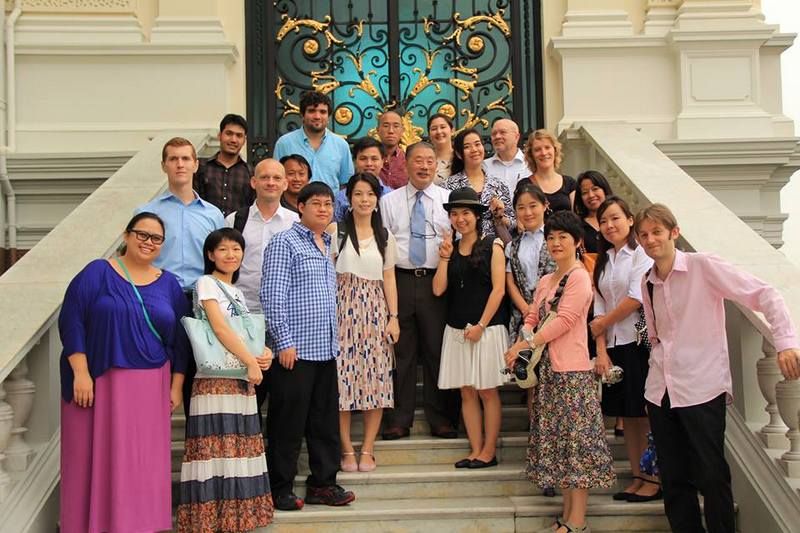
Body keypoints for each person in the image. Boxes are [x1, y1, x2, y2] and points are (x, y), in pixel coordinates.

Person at [635, 203, 800, 533]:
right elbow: (656, 337)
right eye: (643, 235)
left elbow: (763, 293)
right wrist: (652, 389)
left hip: (702, 387)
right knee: (674, 479)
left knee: (712, 475)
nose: (650, 239)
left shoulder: (703, 266)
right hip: (660, 392)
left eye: (656, 232)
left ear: (674, 232)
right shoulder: (647, 282)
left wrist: (785, 340)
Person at [59, 212, 190, 533]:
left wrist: (176, 386)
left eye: (155, 238)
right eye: (142, 234)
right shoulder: (98, 272)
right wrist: (80, 372)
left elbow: (182, 340)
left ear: (162, 245)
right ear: (127, 235)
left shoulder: (169, 284)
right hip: (98, 381)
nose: (148, 242)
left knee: (141, 462)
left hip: (151, 385)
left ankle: (139, 525)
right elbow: (71, 318)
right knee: (93, 458)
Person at [505, 211, 616, 533]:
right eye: (551, 237)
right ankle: (566, 516)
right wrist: (521, 341)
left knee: (576, 446)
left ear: (577, 241)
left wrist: (526, 346)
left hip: (572, 372)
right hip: (549, 372)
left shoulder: (580, 277)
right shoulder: (545, 280)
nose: (555, 243)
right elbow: (531, 315)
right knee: (561, 446)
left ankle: (577, 522)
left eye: (562, 237)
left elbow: (565, 320)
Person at [261, 182, 356, 510]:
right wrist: (283, 341)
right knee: (286, 424)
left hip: (326, 351)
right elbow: (272, 295)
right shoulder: (283, 242)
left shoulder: (327, 242)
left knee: (324, 423)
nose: (323, 209)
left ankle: (323, 484)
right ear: (300, 206)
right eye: (315, 203)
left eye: (328, 204)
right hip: (294, 352)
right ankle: (280, 489)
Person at [176, 228, 274, 532]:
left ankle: (236, 516)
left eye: (236, 249)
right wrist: (249, 360)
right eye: (223, 249)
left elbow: (243, 333)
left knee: (236, 448)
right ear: (210, 255)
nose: (230, 255)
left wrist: (263, 353)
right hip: (216, 379)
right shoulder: (206, 283)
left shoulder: (238, 291)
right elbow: (219, 328)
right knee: (216, 448)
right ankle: (212, 518)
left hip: (239, 378)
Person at [135, 137, 225, 417]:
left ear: (196, 165)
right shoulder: (148, 213)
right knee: (157, 368)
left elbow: (219, 260)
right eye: (173, 159)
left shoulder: (213, 215)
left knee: (198, 376)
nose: (180, 164)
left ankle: (196, 450)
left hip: (201, 300)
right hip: (159, 298)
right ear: (164, 165)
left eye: (186, 158)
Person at [380, 141, 461, 440]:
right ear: (406, 164)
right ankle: (399, 420)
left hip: (436, 281)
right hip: (399, 280)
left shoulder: (447, 199)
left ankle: (441, 418)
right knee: (401, 352)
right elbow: (384, 246)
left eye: (430, 160)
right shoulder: (388, 202)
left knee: (436, 350)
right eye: (418, 160)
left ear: (436, 165)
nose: (425, 166)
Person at [588, 197, 658, 503]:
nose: (609, 225)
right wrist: (601, 350)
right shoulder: (604, 260)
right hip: (614, 346)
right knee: (627, 417)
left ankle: (655, 478)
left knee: (645, 414)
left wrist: (602, 325)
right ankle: (637, 476)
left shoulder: (640, 254)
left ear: (630, 220)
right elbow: (598, 305)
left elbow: (635, 298)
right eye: (603, 221)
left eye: (615, 218)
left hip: (638, 344)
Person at [433, 187, 508, 469]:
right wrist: (443, 257)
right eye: (454, 213)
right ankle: (475, 449)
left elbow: (499, 290)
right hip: (456, 328)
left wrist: (481, 325)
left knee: (487, 391)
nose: (460, 218)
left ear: (477, 216)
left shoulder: (493, 245)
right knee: (466, 391)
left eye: (466, 212)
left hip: (486, 329)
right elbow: (439, 289)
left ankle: (489, 450)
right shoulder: (450, 249)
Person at [334, 173, 400, 473]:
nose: (364, 199)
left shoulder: (385, 236)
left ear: (377, 198)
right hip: (341, 312)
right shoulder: (335, 232)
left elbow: (389, 278)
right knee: (340, 383)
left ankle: (368, 448)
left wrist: (393, 318)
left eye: (370, 194)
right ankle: (346, 448)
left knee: (376, 381)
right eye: (358, 193)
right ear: (349, 198)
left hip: (375, 313)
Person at [226, 159, 299, 313]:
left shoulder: (296, 222)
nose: (271, 183)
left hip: (284, 311)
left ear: (285, 184)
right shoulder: (234, 220)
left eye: (277, 178)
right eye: (265, 177)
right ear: (253, 182)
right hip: (241, 309)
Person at [272, 91, 354, 191]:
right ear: (302, 115)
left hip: (330, 206)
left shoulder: (341, 145)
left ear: (328, 116)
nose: (317, 116)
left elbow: (345, 184)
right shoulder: (284, 143)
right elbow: (276, 179)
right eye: (311, 111)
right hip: (292, 206)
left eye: (322, 112)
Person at [505, 183, 554, 344]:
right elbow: (510, 282)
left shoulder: (557, 238)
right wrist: (527, 310)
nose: (528, 213)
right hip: (522, 316)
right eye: (521, 208)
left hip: (554, 313)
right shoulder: (512, 245)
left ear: (545, 205)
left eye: (533, 206)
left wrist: (540, 308)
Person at [445, 128, 515, 239]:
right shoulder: (448, 186)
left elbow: (513, 225)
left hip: (495, 250)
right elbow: (445, 223)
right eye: (467, 147)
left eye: (477, 144)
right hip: (463, 249)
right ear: (459, 154)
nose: (474, 150)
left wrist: (499, 215)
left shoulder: (499, 184)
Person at [193, 113, 255, 216]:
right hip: (206, 229)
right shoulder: (201, 167)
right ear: (219, 135)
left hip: (237, 230)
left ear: (244, 140)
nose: (233, 140)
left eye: (239, 136)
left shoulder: (250, 173)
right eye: (229, 133)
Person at [334, 137, 393, 222]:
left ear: (382, 161)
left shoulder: (391, 196)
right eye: (363, 159)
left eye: (374, 159)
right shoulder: (341, 197)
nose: (369, 164)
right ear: (354, 161)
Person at [521, 129, 576, 214]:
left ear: (555, 150)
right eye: (537, 149)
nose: (543, 153)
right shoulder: (524, 185)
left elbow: (577, 219)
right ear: (531, 155)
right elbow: (522, 222)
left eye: (547, 147)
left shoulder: (570, 183)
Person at [485, 118, 531, 195]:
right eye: (494, 134)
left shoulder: (530, 165)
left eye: (503, 132)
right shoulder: (484, 167)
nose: (497, 136)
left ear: (516, 137)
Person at [573, 170, 612, 256]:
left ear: (604, 190)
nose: (591, 195)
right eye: (585, 192)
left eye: (595, 189)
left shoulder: (618, 219)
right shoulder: (577, 225)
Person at [377, 109, 409, 189]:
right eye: (386, 126)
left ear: (402, 131)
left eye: (396, 126)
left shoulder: (408, 160)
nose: (391, 131)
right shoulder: (369, 160)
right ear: (378, 130)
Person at [427, 112, 454, 186]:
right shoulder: (425, 160)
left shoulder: (461, 157)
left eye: (443, 127)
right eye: (434, 129)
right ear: (429, 134)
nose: (439, 131)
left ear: (452, 131)